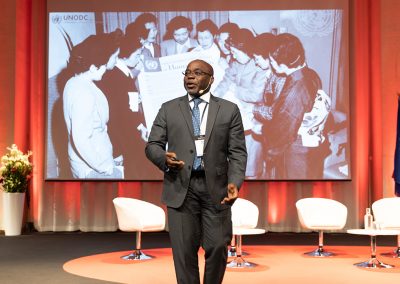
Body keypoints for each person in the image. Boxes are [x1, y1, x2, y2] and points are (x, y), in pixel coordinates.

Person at [145, 59, 247, 284]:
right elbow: (152, 145)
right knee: (184, 252)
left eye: (197, 73)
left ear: (211, 80)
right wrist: (163, 158)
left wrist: (235, 182)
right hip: (181, 187)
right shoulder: (169, 108)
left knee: (218, 246)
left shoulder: (229, 110)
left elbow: (238, 152)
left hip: (217, 190)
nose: (190, 77)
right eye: (187, 72)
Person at [63, 31, 122, 179]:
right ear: (93, 67)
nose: (114, 63)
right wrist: (106, 168)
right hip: (94, 168)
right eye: (114, 58)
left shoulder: (74, 82)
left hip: (91, 162)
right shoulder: (84, 94)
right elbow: (81, 139)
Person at [262, 33, 322, 179]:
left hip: (297, 151)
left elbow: (283, 129)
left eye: (271, 61)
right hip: (311, 145)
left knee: (295, 192)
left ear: (282, 65)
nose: (270, 64)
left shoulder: (297, 88)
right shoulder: (311, 74)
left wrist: (263, 130)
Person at [96, 30, 151, 179]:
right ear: (125, 54)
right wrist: (139, 126)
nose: (140, 59)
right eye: (137, 55)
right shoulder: (114, 76)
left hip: (129, 133)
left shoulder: (123, 73)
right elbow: (118, 114)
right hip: (121, 138)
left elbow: (127, 106)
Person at [214, 28, 268, 179]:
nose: (233, 55)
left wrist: (234, 89)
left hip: (253, 118)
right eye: (232, 52)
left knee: (251, 166)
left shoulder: (260, 65)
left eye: (236, 52)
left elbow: (256, 95)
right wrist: (213, 96)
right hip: (236, 116)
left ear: (247, 50)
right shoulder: (236, 61)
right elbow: (226, 80)